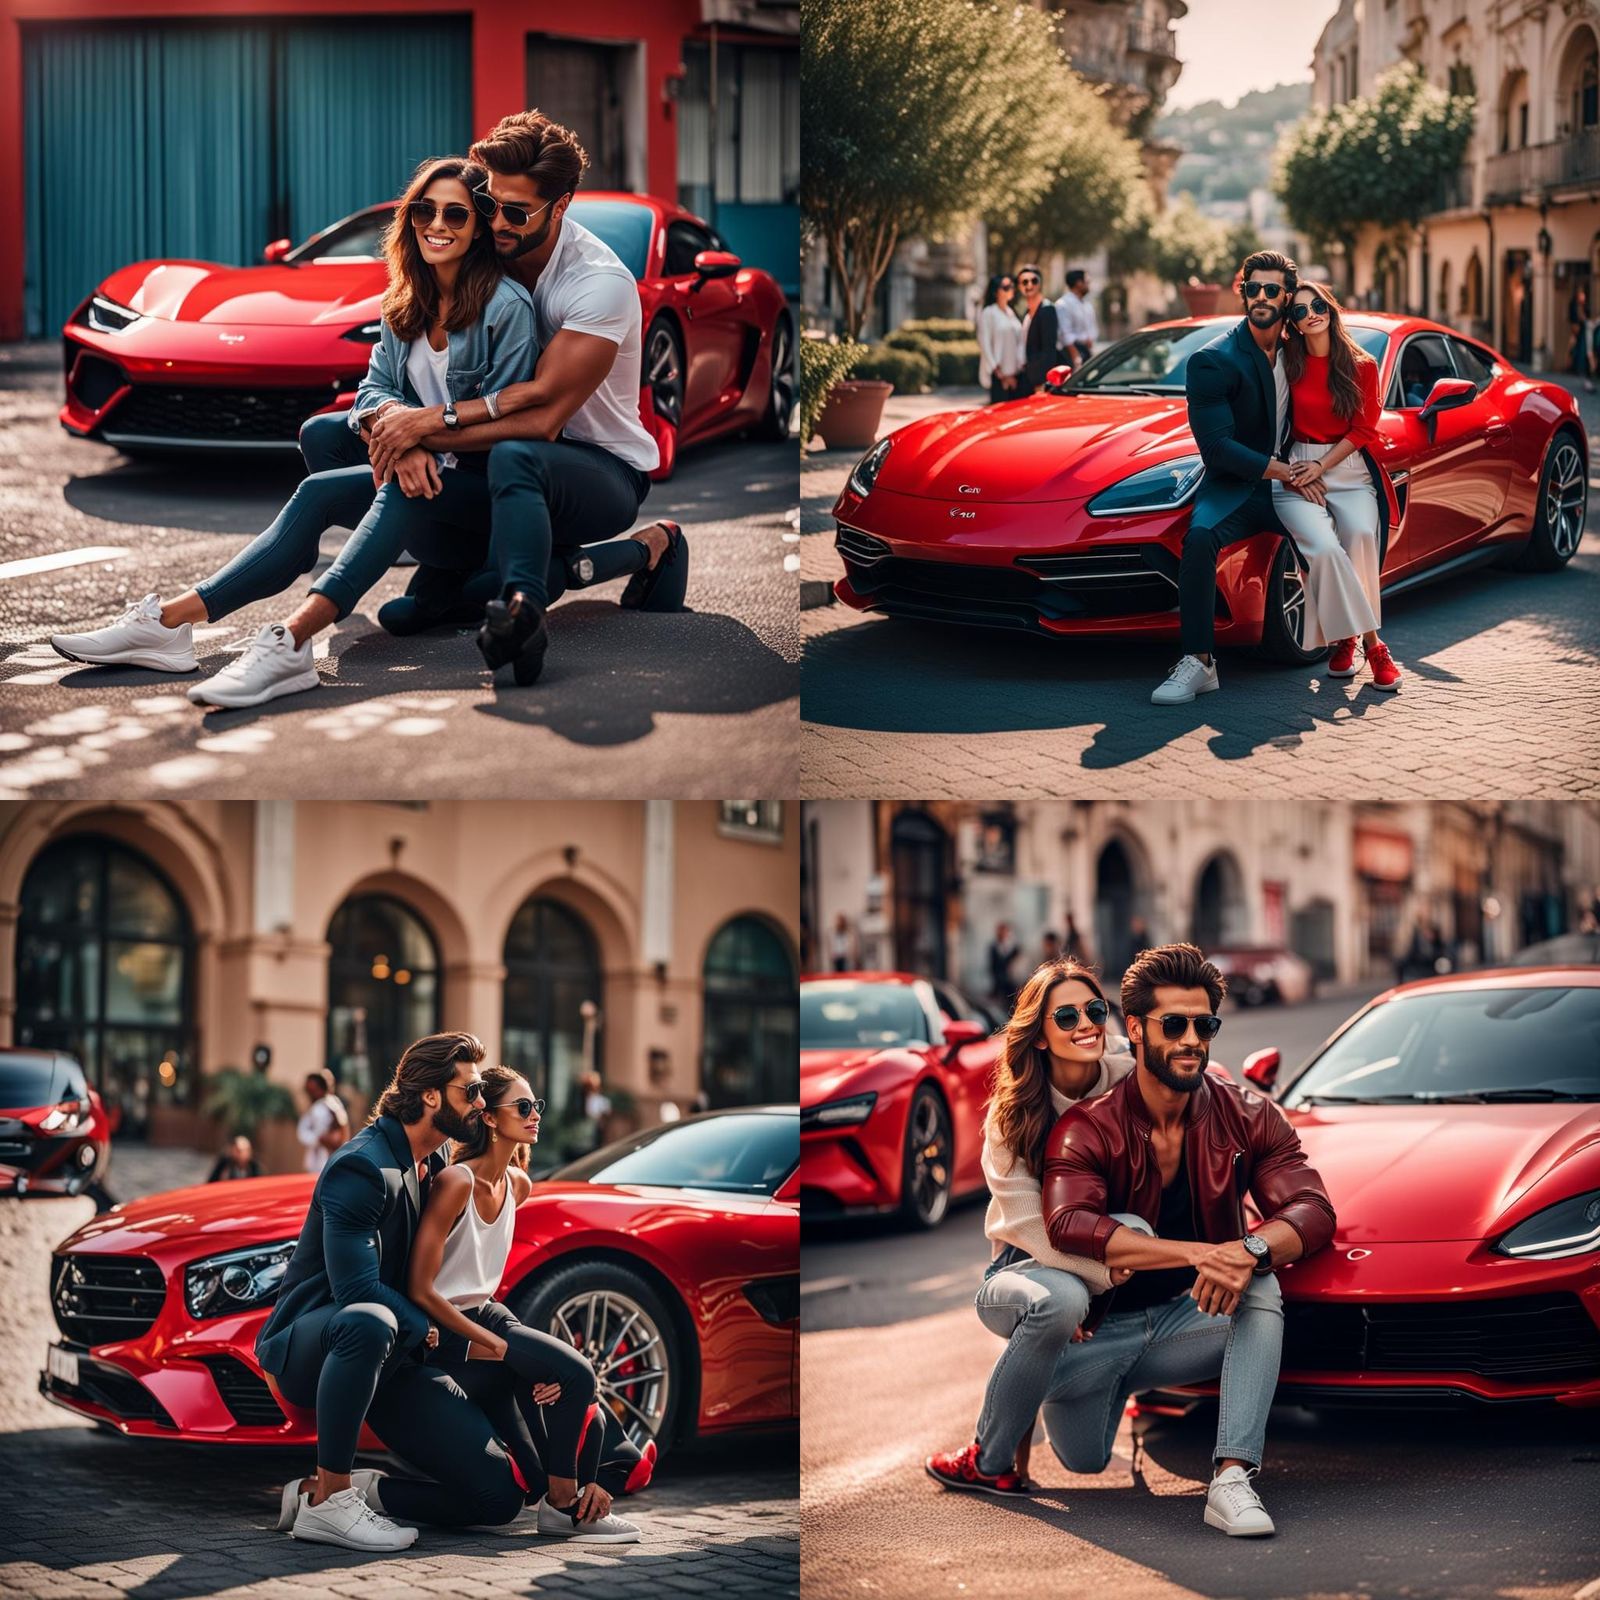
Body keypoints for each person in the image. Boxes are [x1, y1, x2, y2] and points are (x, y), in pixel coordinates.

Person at [48, 157, 537, 708]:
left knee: (399, 484)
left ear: (478, 228)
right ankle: (167, 624)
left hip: (484, 504)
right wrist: (397, 435)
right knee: (316, 473)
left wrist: (417, 438)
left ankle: (291, 642)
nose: (437, 224)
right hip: (426, 475)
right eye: (425, 209)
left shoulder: (505, 308)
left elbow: (508, 427)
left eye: (456, 213)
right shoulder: (405, 300)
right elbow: (372, 392)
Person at [938, 943, 1336, 1537]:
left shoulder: (1183, 1087)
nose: (1190, 1038)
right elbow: (1055, 1227)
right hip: (1033, 1270)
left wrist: (1247, 1250)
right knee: (1061, 1315)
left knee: (1258, 1286)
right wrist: (1170, 1258)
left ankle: (1231, 1479)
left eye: (1205, 1025)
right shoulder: (1033, 1119)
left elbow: (1313, 1208)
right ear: (1041, 1034)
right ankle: (997, 1439)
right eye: (1173, 1024)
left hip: (1162, 1318)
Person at [364, 111, 684, 689]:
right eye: (490, 206)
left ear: (561, 206)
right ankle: (453, 569)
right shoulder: (487, 249)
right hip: (492, 460)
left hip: (597, 468)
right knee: (332, 432)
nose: (498, 224)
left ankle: (538, 607)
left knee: (517, 461)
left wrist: (424, 428)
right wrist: (394, 424)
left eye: (518, 212)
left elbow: (542, 420)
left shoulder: (597, 284)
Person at [259, 1032, 535, 1549]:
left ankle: (353, 1492)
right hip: (313, 1348)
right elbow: (355, 1289)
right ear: (431, 1095)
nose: (481, 1103)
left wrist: (516, 1354)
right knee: (370, 1317)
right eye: (470, 1092)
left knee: (498, 1498)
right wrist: (428, 1327)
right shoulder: (362, 1166)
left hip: (396, 1359)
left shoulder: (434, 1161)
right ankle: (332, 1503)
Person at [406, 1063, 641, 1542]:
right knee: (577, 1374)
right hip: (445, 1326)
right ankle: (563, 1508)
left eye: (537, 1106)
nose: (535, 1115)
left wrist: (525, 1362)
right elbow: (420, 1288)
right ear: (489, 1118)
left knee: (533, 1469)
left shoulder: (518, 1185)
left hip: (489, 1313)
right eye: (523, 1106)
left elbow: (482, 1278)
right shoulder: (456, 1182)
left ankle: (563, 1491)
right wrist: (496, 1346)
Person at [925, 960, 1134, 1492]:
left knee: (1084, 1456)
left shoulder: (1128, 1078)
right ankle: (986, 1458)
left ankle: (1071, 1383)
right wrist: (1096, 1281)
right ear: (1038, 1035)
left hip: (1103, 1258)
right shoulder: (1010, 1114)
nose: (1086, 1024)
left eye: (1094, 1010)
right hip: (1021, 1266)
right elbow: (1027, 1226)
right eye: (1066, 1016)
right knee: (1058, 1301)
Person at [1152, 251, 1309, 706]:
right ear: (1242, 291)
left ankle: (1354, 640)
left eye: (1272, 290)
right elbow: (1217, 449)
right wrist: (1284, 471)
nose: (1261, 297)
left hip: (1296, 479)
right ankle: (1199, 663)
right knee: (1198, 538)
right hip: (1239, 484)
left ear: (1287, 297)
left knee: (1340, 529)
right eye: (1252, 288)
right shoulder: (1212, 360)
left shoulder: (1303, 350)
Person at [1275, 283, 1402, 692]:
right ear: (1291, 324)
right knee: (1325, 547)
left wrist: (1322, 466)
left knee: (1361, 534)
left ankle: (1348, 640)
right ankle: (1373, 644)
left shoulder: (1362, 365)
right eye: (1299, 311)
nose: (1311, 313)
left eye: (1317, 305)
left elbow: (1364, 428)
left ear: (1329, 308)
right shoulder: (1286, 364)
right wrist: (1296, 471)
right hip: (1297, 466)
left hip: (1345, 468)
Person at [1014, 265, 1060, 399]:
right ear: (1019, 286)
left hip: (1039, 382)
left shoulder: (1047, 310)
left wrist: (1042, 382)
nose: (1029, 285)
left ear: (1040, 284)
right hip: (1026, 377)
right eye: (1024, 282)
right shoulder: (1027, 313)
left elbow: (1049, 349)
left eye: (1034, 281)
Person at [977, 274, 1024, 404]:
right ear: (995, 291)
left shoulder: (1011, 312)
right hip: (999, 376)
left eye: (1012, 286)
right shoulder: (989, 313)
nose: (1011, 289)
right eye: (1006, 287)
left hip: (1016, 376)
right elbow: (984, 343)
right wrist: (1000, 374)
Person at [298, 1069, 350, 1176]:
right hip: (318, 1160)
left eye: (312, 1089)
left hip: (326, 1160)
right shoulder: (318, 1106)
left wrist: (326, 1139)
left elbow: (341, 1132)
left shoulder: (327, 1106)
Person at [1055, 270, 1096, 366]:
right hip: (1072, 353)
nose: (1088, 285)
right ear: (1079, 283)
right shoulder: (1063, 304)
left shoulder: (1086, 304)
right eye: (1086, 282)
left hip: (1086, 350)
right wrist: (1075, 356)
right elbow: (1064, 333)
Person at [987, 922, 1022, 1010]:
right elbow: (993, 965)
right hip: (999, 980)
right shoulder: (994, 947)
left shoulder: (1014, 947)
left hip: (1012, 980)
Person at [1570, 283, 1595, 394]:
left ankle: (1588, 378)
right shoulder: (1575, 307)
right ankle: (1585, 378)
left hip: (1586, 334)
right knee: (1582, 355)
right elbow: (1575, 321)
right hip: (1581, 335)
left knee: (1587, 354)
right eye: (1581, 295)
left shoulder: (1585, 306)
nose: (1582, 297)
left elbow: (1588, 319)